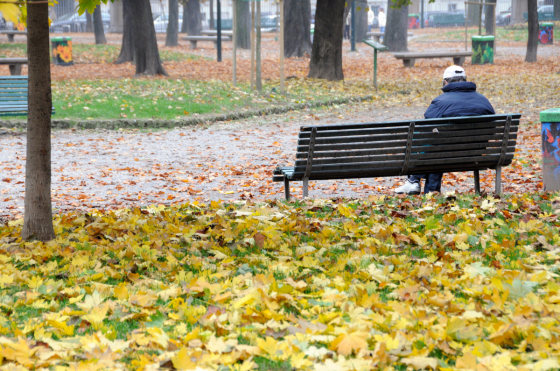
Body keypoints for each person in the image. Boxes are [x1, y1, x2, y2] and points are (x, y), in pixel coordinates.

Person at [395, 65, 496, 195]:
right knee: (436, 147)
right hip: (475, 154)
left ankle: (415, 182)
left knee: (430, 144)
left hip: (444, 155)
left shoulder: (440, 101)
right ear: (465, 80)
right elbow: (492, 129)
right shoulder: (483, 100)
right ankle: (424, 188)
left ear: (446, 82)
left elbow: (426, 128)